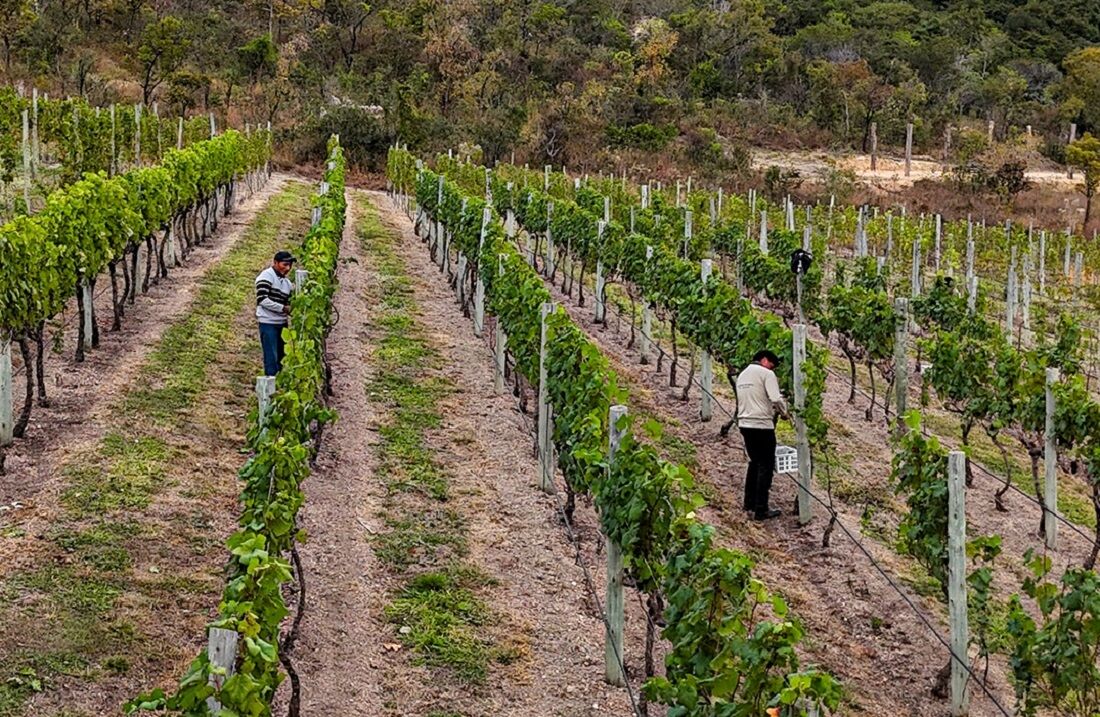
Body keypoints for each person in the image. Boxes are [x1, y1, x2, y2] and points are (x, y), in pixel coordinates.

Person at [736, 349, 789, 521]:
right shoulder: (766, 374)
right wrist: (785, 413)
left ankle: (749, 503)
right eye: (772, 365)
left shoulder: (742, 375)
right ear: (765, 360)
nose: (772, 369)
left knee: (754, 463)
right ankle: (761, 510)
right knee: (766, 466)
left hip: (745, 424)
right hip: (762, 425)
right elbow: (775, 398)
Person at [256, 251, 295, 376]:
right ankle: (269, 389)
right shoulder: (266, 276)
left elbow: (290, 303)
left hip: (282, 324)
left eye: (290, 265)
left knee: (281, 357)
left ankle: (278, 384)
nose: (287, 268)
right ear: (275, 263)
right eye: (284, 264)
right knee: (271, 358)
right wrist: (283, 308)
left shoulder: (287, 283)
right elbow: (262, 299)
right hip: (268, 323)